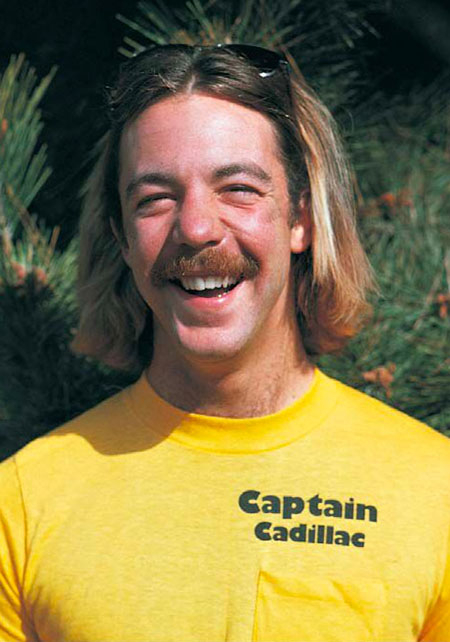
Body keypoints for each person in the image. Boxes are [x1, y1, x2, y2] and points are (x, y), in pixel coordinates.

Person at [0, 44, 449, 642]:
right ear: (122, 238)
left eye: (238, 188)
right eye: (155, 198)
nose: (196, 228)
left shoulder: (434, 490)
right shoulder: (23, 504)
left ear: (301, 218)